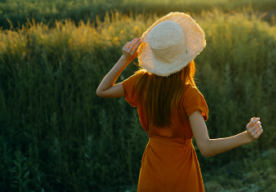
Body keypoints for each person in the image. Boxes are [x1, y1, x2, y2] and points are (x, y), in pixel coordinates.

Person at [95, 12, 263, 191]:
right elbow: (205, 147)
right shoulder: (189, 94)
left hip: (152, 167)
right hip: (181, 170)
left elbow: (102, 90)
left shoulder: (141, 82)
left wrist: (125, 59)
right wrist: (245, 136)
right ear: (186, 55)